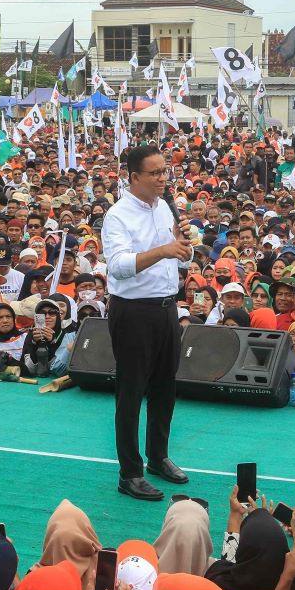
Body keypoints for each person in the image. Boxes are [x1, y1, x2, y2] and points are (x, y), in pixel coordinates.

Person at [100, 144, 194, 501]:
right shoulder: (118, 216)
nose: (162, 178)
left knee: (164, 388)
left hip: (167, 308)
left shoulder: (165, 207)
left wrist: (183, 247)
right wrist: (164, 250)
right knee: (131, 393)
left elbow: (181, 261)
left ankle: (158, 456)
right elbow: (119, 266)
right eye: (154, 173)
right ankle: (130, 473)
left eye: (164, 171)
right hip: (133, 311)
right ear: (134, 177)